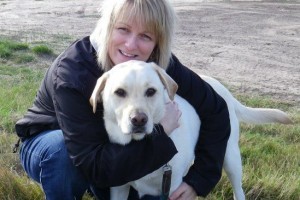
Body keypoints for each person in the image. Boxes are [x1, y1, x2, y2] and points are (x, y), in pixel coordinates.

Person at [15, 0, 230, 199]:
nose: (130, 45)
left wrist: (198, 179)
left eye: (146, 36)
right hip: (53, 144)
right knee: (62, 154)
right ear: (108, 27)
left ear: (157, 43)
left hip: (115, 151)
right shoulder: (73, 73)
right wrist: (162, 131)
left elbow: (216, 110)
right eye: (123, 29)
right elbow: (91, 164)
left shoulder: (155, 65)